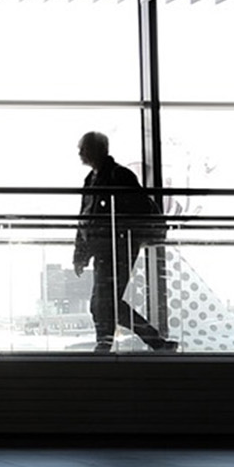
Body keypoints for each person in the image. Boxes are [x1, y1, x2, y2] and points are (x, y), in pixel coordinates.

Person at [73, 131, 177, 354]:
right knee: (106, 302)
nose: (79, 152)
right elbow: (84, 217)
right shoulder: (92, 179)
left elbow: (132, 210)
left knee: (104, 302)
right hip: (105, 249)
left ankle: (106, 344)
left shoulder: (118, 176)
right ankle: (155, 343)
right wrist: (80, 252)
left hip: (118, 249)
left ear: (98, 149)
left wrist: (84, 249)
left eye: (83, 147)